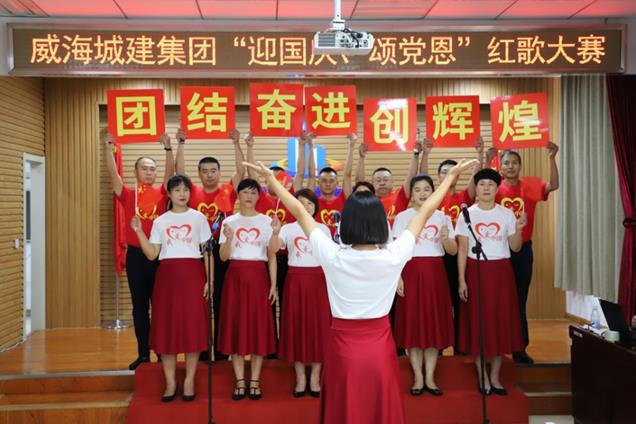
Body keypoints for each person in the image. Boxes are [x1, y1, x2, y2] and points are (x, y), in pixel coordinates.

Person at [245, 157, 477, 424]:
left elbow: (299, 211)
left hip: (342, 350)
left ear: (347, 223)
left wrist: (271, 180)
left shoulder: (333, 255)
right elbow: (424, 213)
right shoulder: (393, 255)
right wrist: (450, 178)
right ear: (380, 222)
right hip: (380, 350)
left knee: (345, 409)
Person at [130, 174, 210, 402]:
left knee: (193, 328)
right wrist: (138, 231)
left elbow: (207, 252)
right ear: (169, 194)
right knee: (167, 328)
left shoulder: (199, 218)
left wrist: (210, 280)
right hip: (167, 278)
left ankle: (189, 380)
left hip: (194, 275)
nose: (182, 194)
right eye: (177, 190)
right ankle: (170, 381)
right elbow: (152, 254)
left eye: (186, 190)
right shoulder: (160, 221)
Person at [102, 130, 174, 370]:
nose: (149, 172)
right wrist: (108, 149)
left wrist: (168, 148)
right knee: (140, 307)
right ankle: (143, 354)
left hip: (159, 256)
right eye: (145, 168)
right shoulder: (129, 194)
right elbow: (114, 176)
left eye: (153, 169)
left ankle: (163, 353)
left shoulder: (163, 193)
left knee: (161, 308)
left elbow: (170, 173)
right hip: (135, 256)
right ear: (135, 172)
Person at [175, 127, 245, 362]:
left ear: (219, 172)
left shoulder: (227, 190)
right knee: (201, 303)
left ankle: (223, 354)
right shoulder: (192, 191)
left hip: (223, 250)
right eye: (204, 171)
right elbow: (179, 171)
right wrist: (181, 143)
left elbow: (241, 171)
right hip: (197, 252)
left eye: (213, 171)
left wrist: (236, 143)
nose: (209, 175)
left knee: (223, 303)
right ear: (199, 174)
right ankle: (204, 352)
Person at [455, 168, 527, 396]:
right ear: (476, 189)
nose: (486, 188)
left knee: (499, 324)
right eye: (482, 184)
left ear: (497, 189)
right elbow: (462, 250)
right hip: (476, 272)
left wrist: (519, 229)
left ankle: (495, 376)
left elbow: (515, 247)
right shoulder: (467, 214)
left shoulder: (506, 214)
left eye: (491, 185)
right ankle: (482, 376)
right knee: (479, 324)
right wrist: (461, 280)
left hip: (501, 273)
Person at [486, 143, 560, 364]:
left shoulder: (530, 185)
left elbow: (554, 185)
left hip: (523, 251)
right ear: (500, 166)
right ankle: (494, 348)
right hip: (497, 251)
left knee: (519, 301)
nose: (510, 166)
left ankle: (519, 348)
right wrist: (485, 159)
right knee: (496, 301)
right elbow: (477, 189)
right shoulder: (494, 189)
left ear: (520, 166)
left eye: (514, 163)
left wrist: (551, 158)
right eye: (506, 163)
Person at [393, 174, 457, 396]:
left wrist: (446, 239)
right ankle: (417, 378)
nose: (422, 193)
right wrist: (398, 278)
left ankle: (430, 377)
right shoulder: (402, 217)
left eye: (426, 189)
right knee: (413, 326)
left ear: (433, 192)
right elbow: (395, 251)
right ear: (411, 194)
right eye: (417, 189)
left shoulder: (442, 217)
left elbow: (452, 251)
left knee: (432, 326)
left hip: (435, 275)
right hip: (410, 273)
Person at [420, 137, 484, 355]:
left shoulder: (464, 196)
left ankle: (460, 346)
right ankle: (437, 345)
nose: (449, 174)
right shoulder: (433, 198)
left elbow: (476, 179)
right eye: (445, 172)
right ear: (439, 177)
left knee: (460, 300)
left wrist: (480, 154)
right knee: (438, 302)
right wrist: (425, 154)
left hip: (461, 255)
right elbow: (422, 177)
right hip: (437, 255)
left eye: (453, 171)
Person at [218, 178, 277, 401]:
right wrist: (228, 239)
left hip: (259, 277)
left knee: (257, 328)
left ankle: (255, 381)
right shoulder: (230, 221)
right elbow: (223, 257)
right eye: (245, 192)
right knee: (236, 327)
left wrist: (273, 285)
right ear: (238, 195)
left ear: (259, 196)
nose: (249, 196)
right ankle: (240, 381)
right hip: (235, 277)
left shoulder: (267, 221)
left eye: (253, 192)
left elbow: (272, 255)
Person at [269, 189, 331, 398]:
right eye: (301, 203)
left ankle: (315, 377)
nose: (305, 207)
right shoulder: (287, 228)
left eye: (309, 203)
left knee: (318, 327)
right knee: (296, 326)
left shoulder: (323, 229)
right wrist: (275, 233)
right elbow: (273, 250)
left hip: (319, 281)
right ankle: (300, 377)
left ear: (315, 206)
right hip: (295, 281)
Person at [354, 136, 423, 226]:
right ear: (372, 183)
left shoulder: (399, 196)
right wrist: (361, 157)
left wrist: (416, 154)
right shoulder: (368, 199)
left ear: (392, 182)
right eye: (378, 180)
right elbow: (359, 182)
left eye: (385, 180)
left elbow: (411, 178)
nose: (382, 183)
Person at [305, 133, 356, 237]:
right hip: (319, 244)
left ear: (337, 183)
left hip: (340, 244)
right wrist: (310, 147)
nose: (328, 184)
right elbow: (311, 175)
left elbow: (347, 175)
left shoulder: (344, 198)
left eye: (331, 181)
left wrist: (351, 146)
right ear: (318, 183)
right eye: (324, 180)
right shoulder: (313, 201)